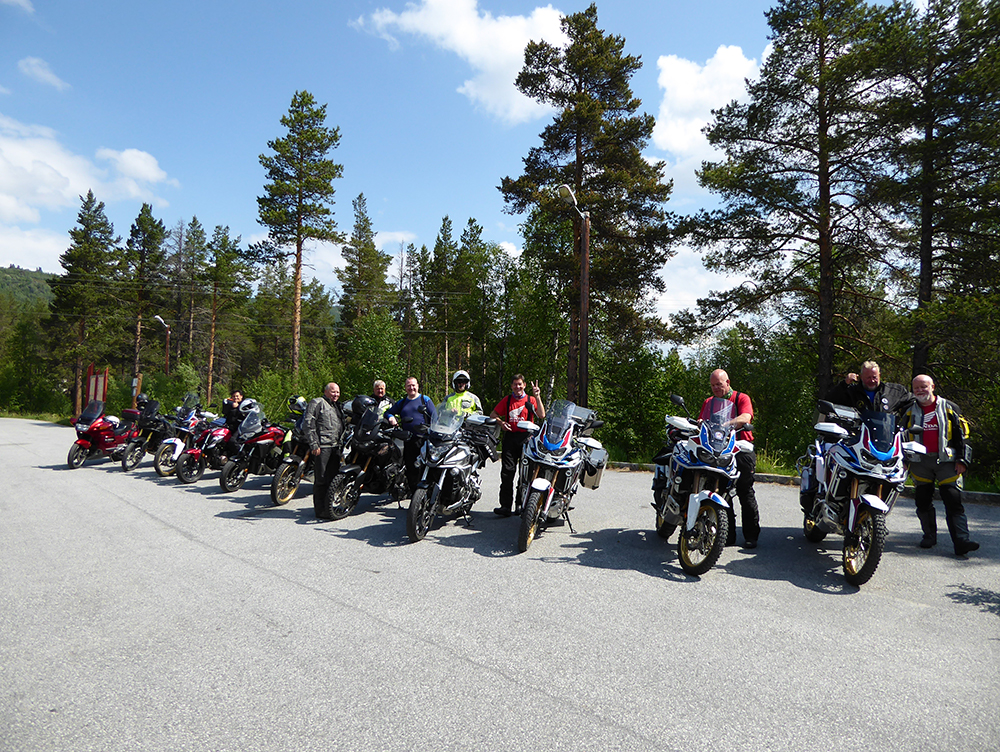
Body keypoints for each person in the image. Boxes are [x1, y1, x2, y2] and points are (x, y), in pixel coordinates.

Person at [902, 375, 979, 556]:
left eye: (924, 386)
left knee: (953, 499)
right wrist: (903, 461)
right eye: (916, 388)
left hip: (947, 461)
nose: (920, 390)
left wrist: (962, 460)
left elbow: (963, 435)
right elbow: (901, 435)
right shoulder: (908, 411)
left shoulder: (950, 407)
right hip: (920, 462)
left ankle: (961, 541)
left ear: (933, 387)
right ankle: (929, 536)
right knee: (922, 500)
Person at [699, 369, 760, 548]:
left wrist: (727, 424)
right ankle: (727, 535)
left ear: (728, 382)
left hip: (740, 448)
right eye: (713, 385)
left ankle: (751, 535)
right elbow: (701, 421)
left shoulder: (741, 398)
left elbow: (746, 417)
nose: (716, 388)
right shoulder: (709, 402)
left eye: (719, 384)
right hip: (718, 450)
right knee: (719, 490)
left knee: (745, 490)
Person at [490, 374, 546, 517]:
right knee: (507, 473)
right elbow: (493, 414)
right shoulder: (507, 400)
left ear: (524, 385)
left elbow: (542, 415)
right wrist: (501, 423)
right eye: (515, 384)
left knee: (525, 474)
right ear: (511, 386)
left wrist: (537, 396)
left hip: (526, 438)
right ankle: (505, 506)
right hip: (510, 438)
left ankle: (521, 504)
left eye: (520, 384)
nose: (517, 387)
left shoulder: (530, 400)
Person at [303, 382, 347, 519]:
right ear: (326, 391)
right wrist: (314, 443)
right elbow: (308, 423)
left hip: (335, 447)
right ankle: (320, 510)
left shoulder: (337, 406)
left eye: (338, 392)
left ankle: (329, 508)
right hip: (323, 447)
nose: (336, 394)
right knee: (321, 479)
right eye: (333, 392)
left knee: (332, 480)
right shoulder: (317, 402)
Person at [386, 377, 436, 494]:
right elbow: (388, 412)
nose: (411, 388)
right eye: (408, 385)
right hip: (408, 440)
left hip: (424, 440)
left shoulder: (425, 400)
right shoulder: (402, 402)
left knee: (425, 467)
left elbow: (435, 417)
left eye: (413, 385)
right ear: (405, 388)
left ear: (417, 386)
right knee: (411, 467)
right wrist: (391, 417)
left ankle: (426, 493)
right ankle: (413, 493)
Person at [825, 360, 911, 414]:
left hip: (885, 435)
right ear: (861, 377)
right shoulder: (852, 392)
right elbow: (829, 400)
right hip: (859, 435)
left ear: (879, 376)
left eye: (874, 377)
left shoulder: (893, 391)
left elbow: (912, 401)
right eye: (868, 378)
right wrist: (845, 384)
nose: (872, 381)